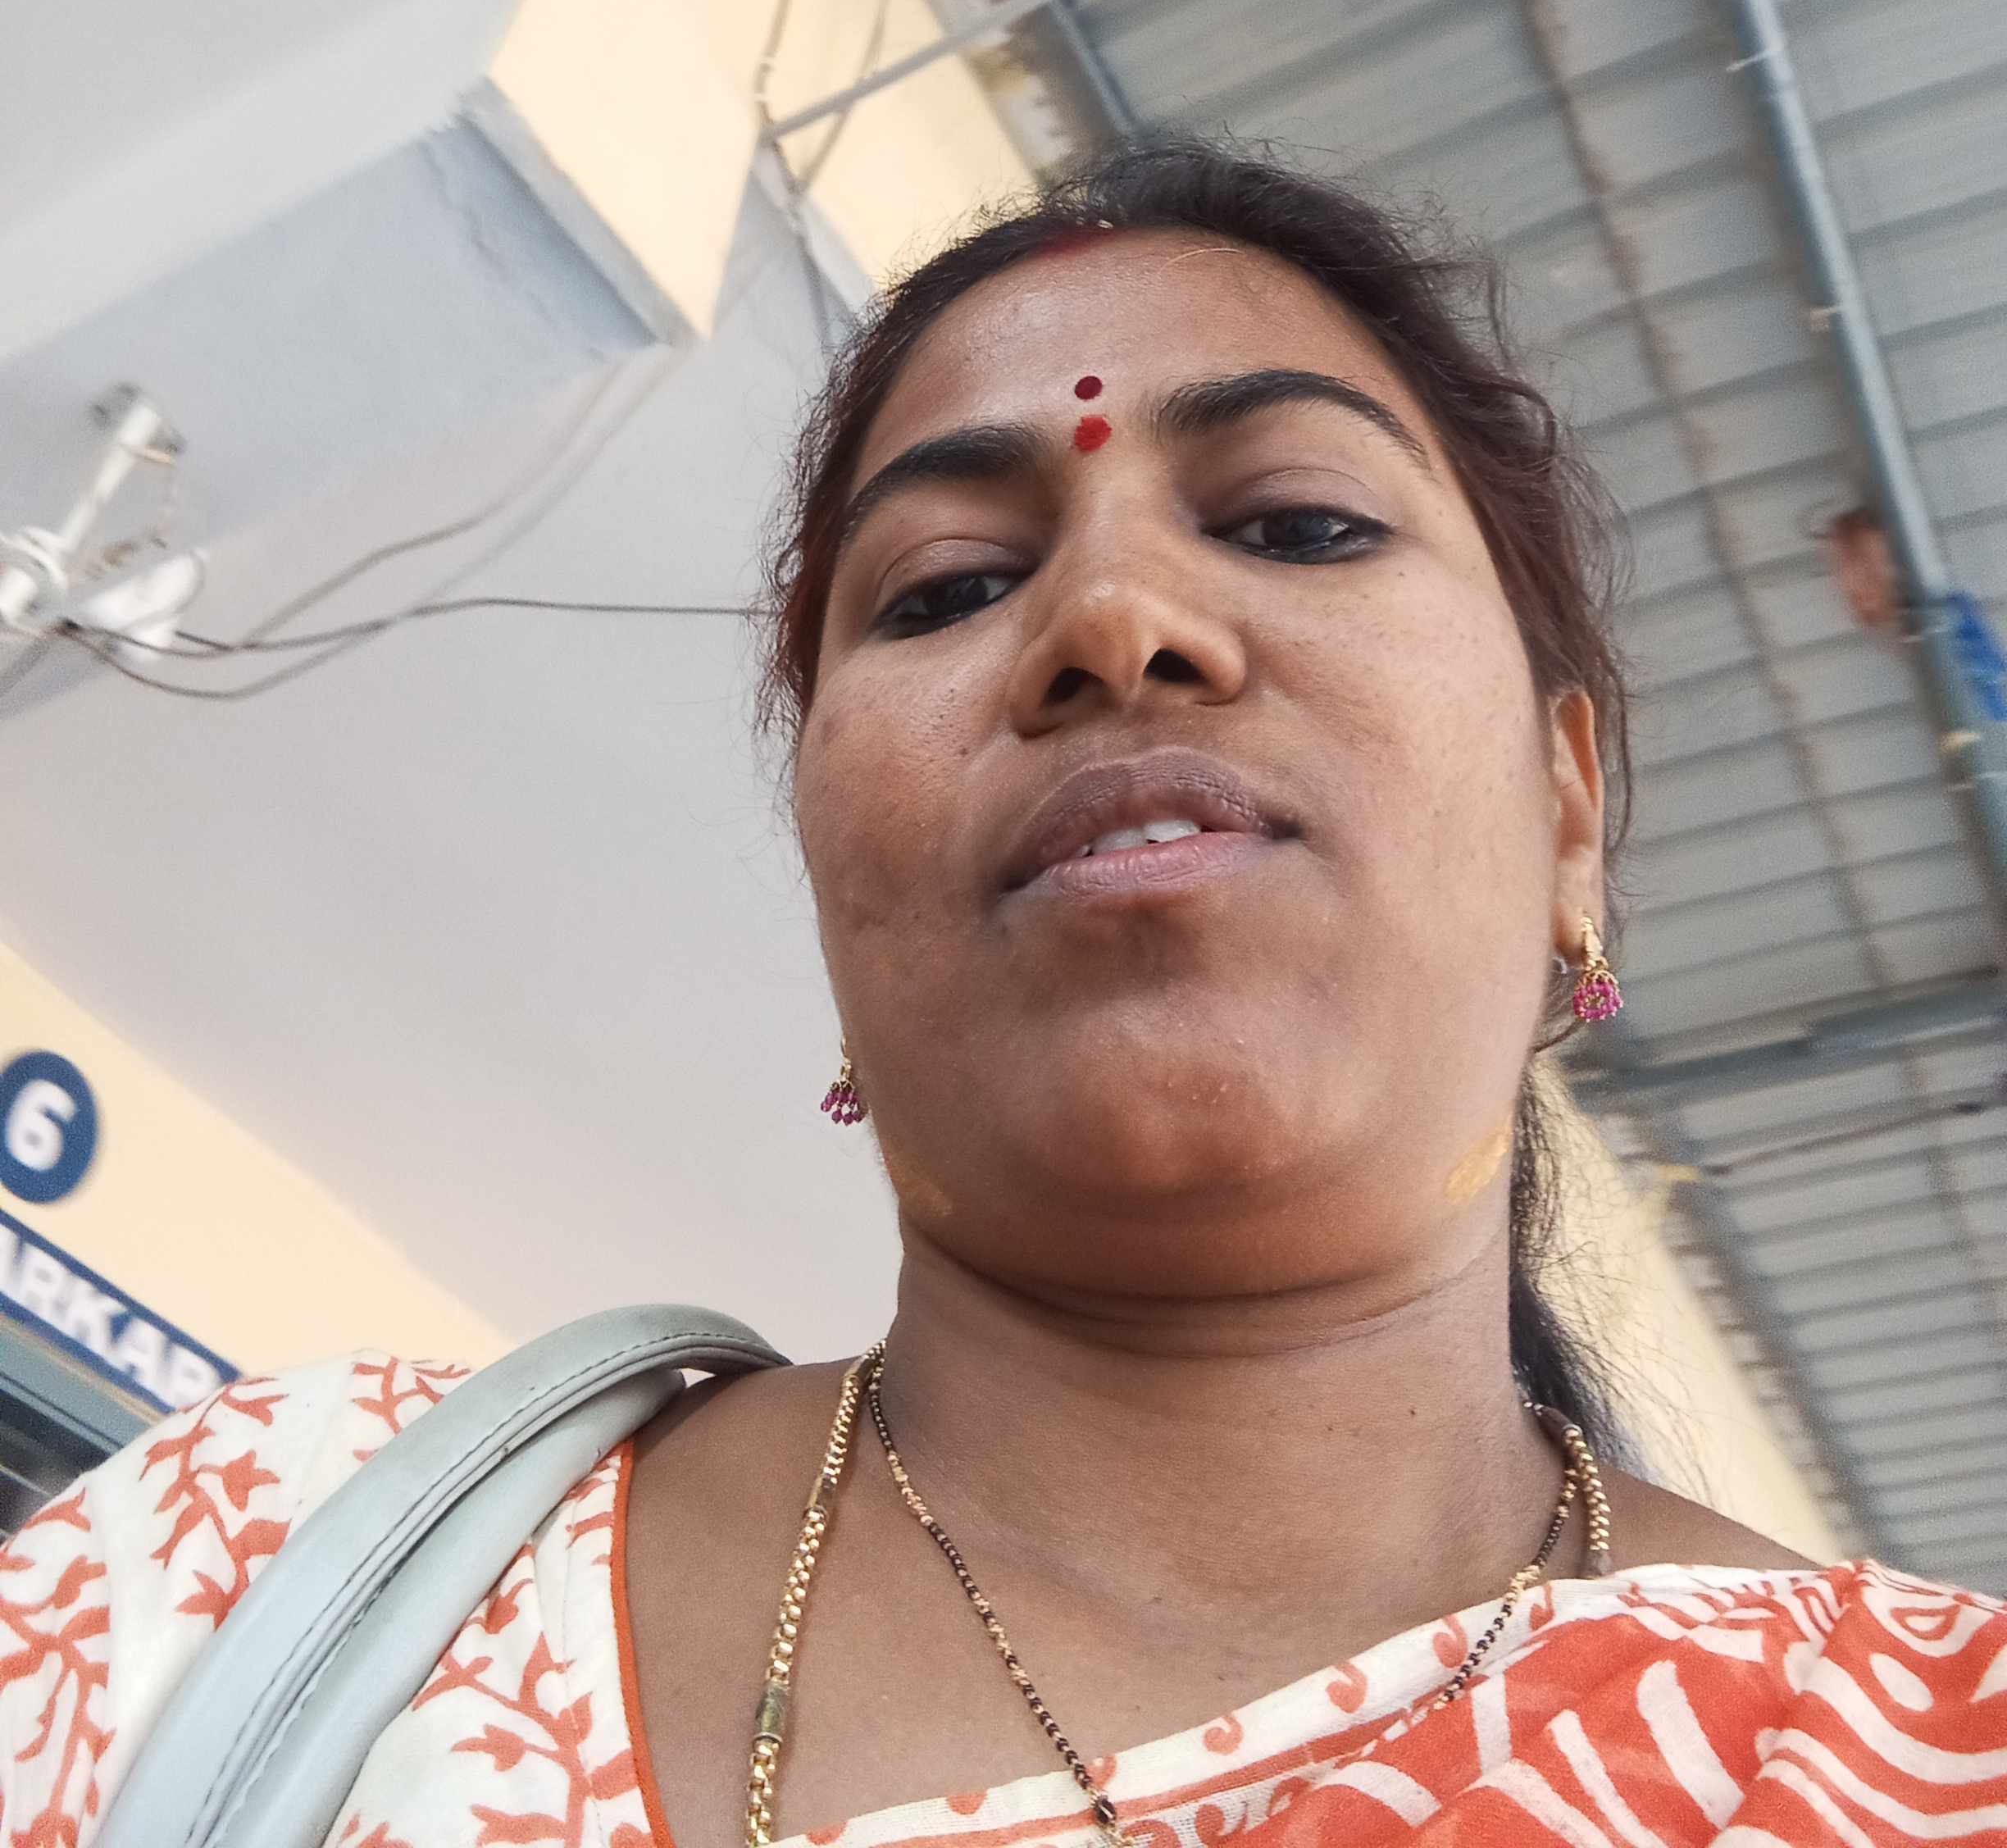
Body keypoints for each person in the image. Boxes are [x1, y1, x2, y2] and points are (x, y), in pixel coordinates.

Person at [4, 143, 2000, 1846]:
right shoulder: (254, 1561)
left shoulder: (1919, 1762)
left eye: (1299, 523)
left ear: (1569, 813)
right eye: (950, 586)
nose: (1112, 622)